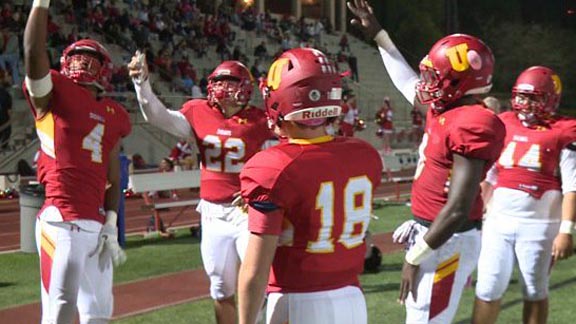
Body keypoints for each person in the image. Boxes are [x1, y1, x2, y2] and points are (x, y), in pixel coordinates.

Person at [348, 1, 506, 323]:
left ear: (457, 81)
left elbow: (459, 207)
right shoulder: (445, 109)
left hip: (448, 238)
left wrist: (418, 253)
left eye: (436, 75)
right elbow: (405, 81)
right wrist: (379, 35)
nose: (427, 81)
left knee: (427, 320)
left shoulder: (472, 122)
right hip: (436, 232)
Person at [238, 47, 382, 324]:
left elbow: (254, 271)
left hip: (299, 301)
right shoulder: (365, 155)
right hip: (352, 299)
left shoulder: (272, 167)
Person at [128, 56, 272, 324]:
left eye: (232, 83)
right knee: (220, 287)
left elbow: (281, 157)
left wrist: (261, 189)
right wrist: (142, 84)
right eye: (220, 82)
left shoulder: (260, 119)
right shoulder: (199, 111)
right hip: (212, 212)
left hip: (248, 212)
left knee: (256, 281)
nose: (225, 89)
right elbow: (157, 116)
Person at [23, 2, 131, 323]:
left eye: (92, 59)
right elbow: (32, 53)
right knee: (58, 311)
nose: (85, 64)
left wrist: (111, 224)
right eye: (80, 58)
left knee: (98, 315)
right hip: (61, 219)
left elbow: (113, 175)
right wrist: (40, 4)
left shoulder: (112, 114)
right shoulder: (54, 95)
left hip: (96, 226)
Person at [472, 66, 576, 324]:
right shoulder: (505, 122)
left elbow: (572, 186)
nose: (525, 103)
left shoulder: (564, 130)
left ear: (551, 99)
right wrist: (475, 209)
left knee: (534, 290)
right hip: (498, 220)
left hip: (539, 224)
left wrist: (567, 230)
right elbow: (493, 174)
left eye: (534, 97)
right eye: (522, 96)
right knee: (487, 287)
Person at [0, 68, 12, 150]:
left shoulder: (5, 93)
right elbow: (9, 111)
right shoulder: (5, 94)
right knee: (6, 130)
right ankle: (3, 147)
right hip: (3, 118)